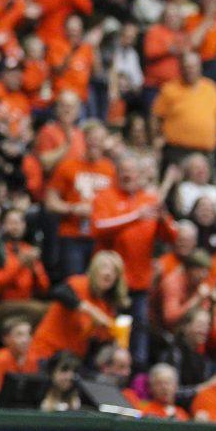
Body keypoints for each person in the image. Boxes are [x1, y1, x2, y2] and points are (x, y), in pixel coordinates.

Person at [91, 155, 176, 367]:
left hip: (139, 280)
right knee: (108, 330)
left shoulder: (149, 199)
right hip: (111, 282)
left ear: (140, 176)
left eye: (132, 171)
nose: (128, 175)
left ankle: (136, 376)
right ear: (117, 174)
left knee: (139, 330)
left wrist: (163, 216)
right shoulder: (105, 197)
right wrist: (135, 216)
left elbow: (171, 237)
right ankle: (103, 369)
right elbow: (98, 227)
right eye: (124, 170)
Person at [28, 250, 128, 363]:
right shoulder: (79, 283)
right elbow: (57, 292)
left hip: (72, 360)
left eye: (114, 271)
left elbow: (97, 340)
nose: (108, 273)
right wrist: (89, 309)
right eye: (104, 267)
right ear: (95, 270)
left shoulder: (108, 306)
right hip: (47, 351)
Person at [45, 120, 116, 277]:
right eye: (91, 138)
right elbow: (50, 202)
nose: (95, 143)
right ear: (84, 139)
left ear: (105, 142)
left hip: (100, 237)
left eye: (99, 139)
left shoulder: (111, 169)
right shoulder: (67, 166)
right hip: (72, 235)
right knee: (74, 283)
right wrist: (72, 208)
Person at [151, 52, 216, 169]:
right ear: (180, 68)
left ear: (199, 67)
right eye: (186, 66)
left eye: (193, 66)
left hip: (206, 153)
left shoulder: (211, 88)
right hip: (177, 152)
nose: (189, 70)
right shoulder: (170, 89)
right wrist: (156, 139)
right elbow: (156, 117)